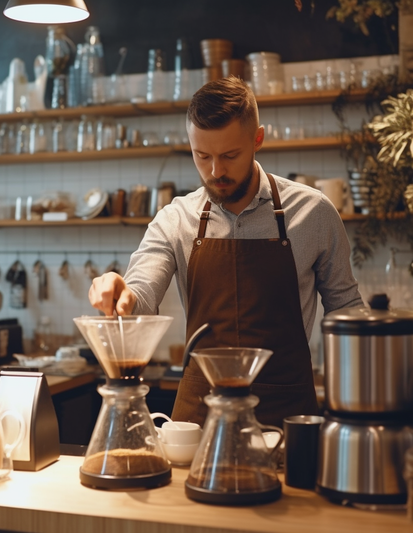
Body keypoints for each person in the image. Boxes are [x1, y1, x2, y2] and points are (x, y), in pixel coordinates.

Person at [88, 75, 363, 428]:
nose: (216, 171)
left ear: (257, 139)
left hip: (287, 415)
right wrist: (120, 295)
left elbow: (347, 309)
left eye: (230, 155)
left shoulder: (314, 213)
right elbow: (141, 293)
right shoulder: (176, 219)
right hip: (199, 419)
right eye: (202, 156)